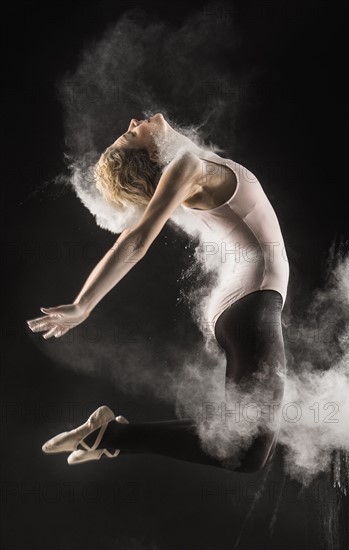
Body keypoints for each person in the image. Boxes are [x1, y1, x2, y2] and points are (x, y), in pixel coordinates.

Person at [27, 114, 290, 473]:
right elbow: (135, 239)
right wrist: (82, 304)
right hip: (251, 302)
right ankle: (111, 438)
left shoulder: (192, 158)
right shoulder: (187, 166)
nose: (134, 121)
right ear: (151, 156)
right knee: (246, 449)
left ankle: (111, 438)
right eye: (130, 134)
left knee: (247, 446)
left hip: (248, 302)